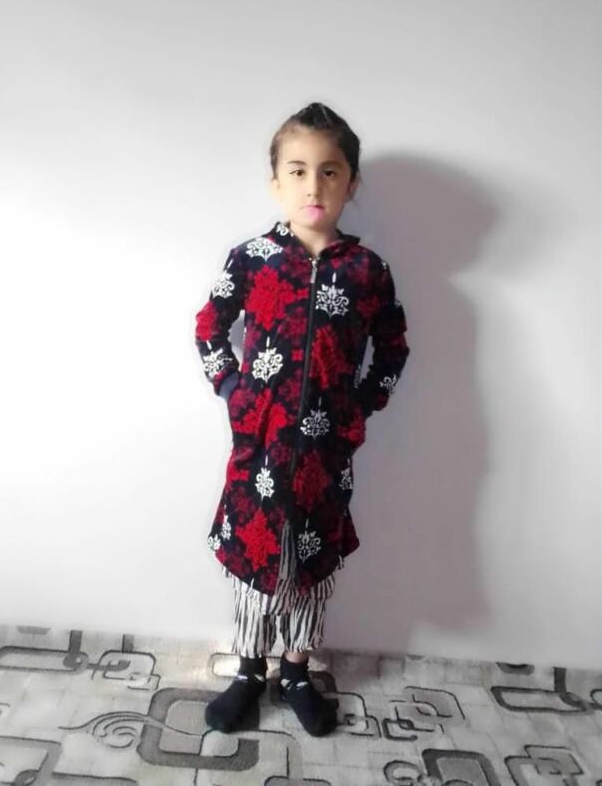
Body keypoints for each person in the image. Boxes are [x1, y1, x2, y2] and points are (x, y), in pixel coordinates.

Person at [194, 101, 410, 737]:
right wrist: (232, 389)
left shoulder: (367, 271)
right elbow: (209, 326)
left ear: (351, 183)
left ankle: (295, 671)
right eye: (298, 171)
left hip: (325, 455)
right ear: (276, 183)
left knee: (311, 567)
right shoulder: (253, 258)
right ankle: (248, 671)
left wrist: (359, 408)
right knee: (253, 562)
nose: (313, 186)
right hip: (257, 451)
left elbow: (392, 348)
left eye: (329, 171)